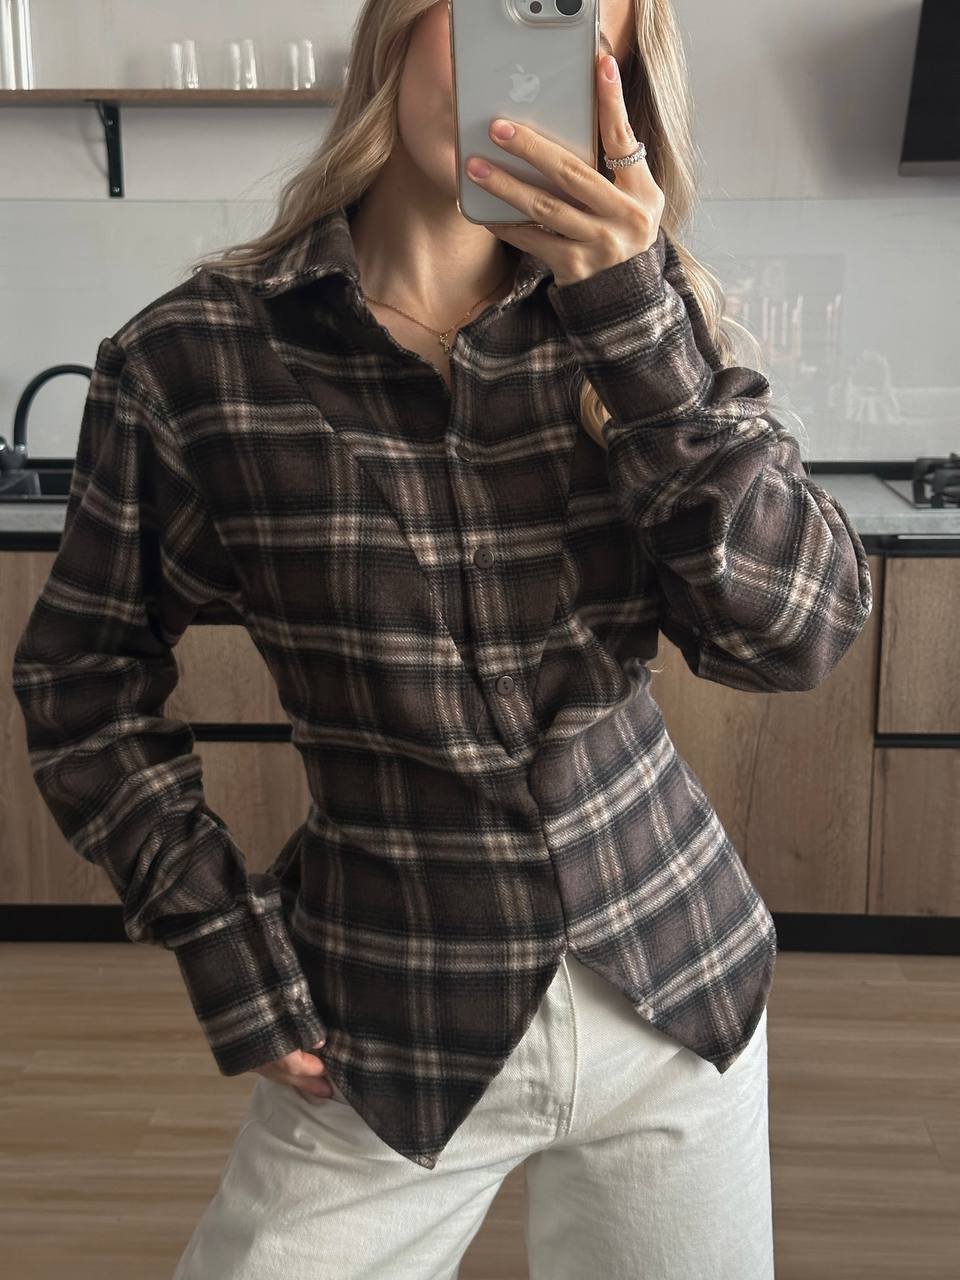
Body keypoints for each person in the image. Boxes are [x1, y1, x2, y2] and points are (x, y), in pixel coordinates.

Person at [11, 2, 873, 1277]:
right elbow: (79, 679)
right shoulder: (192, 360)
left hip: (677, 992)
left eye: (576, 21)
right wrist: (223, 944)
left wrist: (633, 327)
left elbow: (796, 635)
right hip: (386, 1017)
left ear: (618, 83)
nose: (515, 63)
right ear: (400, 26)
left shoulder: (647, 316)